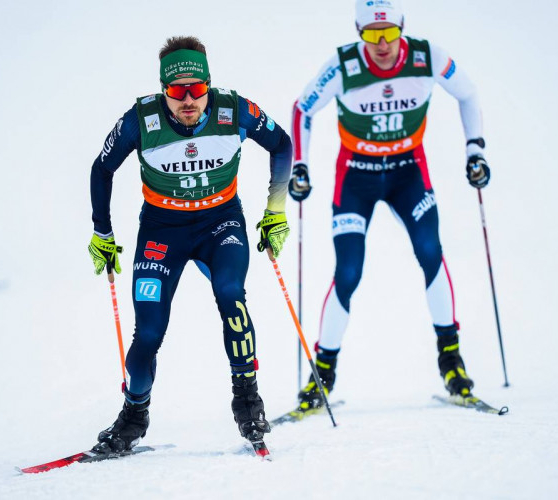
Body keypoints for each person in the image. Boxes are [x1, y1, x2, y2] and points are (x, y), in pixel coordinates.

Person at [87, 36, 292, 452]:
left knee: (231, 294)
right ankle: (133, 416)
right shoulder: (140, 120)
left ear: (208, 85)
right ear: (163, 89)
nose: (188, 100)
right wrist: (102, 232)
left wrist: (276, 209)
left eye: (197, 90)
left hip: (220, 223)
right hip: (163, 232)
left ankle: (247, 399)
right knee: (147, 333)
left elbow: (282, 144)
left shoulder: (235, 110)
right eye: (177, 91)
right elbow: (101, 168)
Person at [289, 0, 491, 410]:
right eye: (371, 36)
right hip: (357, 177)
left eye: (389, 35)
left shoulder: (427, 57)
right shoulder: (343, 65)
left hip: (407, 173)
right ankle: (322, 375)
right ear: (358, 33)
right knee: (347, 271)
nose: (381, 45)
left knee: (431, 251)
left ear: (402, 29)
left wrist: (475, 150)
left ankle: (451, 360)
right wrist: (300, 165)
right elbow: (302, 107)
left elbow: (468, 94)